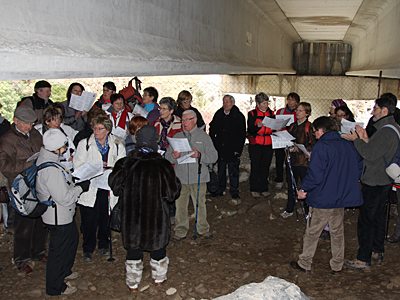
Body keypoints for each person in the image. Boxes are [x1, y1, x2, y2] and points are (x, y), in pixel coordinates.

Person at [109, 125, 181, 292]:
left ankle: (133, 283)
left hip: (132, 218)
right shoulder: (162, 165)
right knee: (158, 249)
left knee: (133, 250)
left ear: (136, 140)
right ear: (154, 142)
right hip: (156, 218)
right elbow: (172, 193)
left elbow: (114, 185)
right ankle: (159, 279)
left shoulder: (125, 163)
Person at [290, 116, 363, 275]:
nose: (314, 135)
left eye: (315, 131)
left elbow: (316, 174)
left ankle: (305, 263)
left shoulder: (321, 146)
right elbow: (358, 167)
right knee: (337, 232)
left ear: (321, 131)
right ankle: (337, 265)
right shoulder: (348, 145)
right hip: (340, 197)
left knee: (313, 231)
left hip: (323, 198)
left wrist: (304, 189)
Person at [342, 97, 399, 269]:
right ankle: (377, 250)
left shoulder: (385, 132)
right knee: (379, 217)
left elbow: (368, 153)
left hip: (375, 180)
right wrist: (365, 138)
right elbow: (376, 150)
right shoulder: (391, 128)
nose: (373, 111)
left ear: (384, 111)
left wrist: (356, 140)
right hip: (383, 179)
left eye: (376, 108)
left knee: (366, 220)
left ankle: (363, 257)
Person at [36, 128, 90, 296]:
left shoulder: (48, 158)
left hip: (62, 214)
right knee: (57, 252)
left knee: (72, 239)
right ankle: (55, 287)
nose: (66, 148)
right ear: (56, 147)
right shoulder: (51, 169)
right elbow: (64, 198)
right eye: (64, 145)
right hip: (58, 217)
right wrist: (80, 188)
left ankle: (65, 271)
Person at [73, 115, 126, 262]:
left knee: (105, 217)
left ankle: (104, 243)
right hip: (90, 187)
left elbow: (122, 165)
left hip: (107, 186)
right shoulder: (85, 144)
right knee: (88, 218)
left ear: (108, 130)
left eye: (100, 128)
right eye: (94, 128)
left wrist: (110, 168)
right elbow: (77, 165)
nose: (96, 131)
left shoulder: (116, 144)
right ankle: (88, 248)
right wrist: (94, 168)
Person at [0, 106, 44, 276]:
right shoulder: (7, 140)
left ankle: (38, 251)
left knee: (40, 220)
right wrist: (28, 163)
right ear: (15, 121)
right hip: (21, 187)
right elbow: (5, 167)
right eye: (25, 123)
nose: (29, 127)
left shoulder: (35, 135)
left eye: (31, 124)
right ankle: (21, 259)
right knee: (23, 225)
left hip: (38, 183)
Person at [166, 110, 217, 242]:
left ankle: (203, 229)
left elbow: (214, 156)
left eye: (187, 120)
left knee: (200, 204)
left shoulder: (203, 137)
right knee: (180, 206)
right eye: (183, 120)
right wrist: (173, 156)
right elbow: (167, 157)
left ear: (195, 120)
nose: (184, 123)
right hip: (181, 178)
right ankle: (180, 230)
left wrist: (200, 156)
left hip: (198, 177)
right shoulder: (176, 137)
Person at [280, 102, 316, 219]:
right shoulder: (292, 126)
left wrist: (300, 149)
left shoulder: (310, 127)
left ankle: (308, 211)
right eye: (297, 110)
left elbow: (313, 143)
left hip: (304, 162)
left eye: (300, 110)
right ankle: (289, 209)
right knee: (291, 186)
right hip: (292, 160)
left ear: (307, 113)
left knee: (305, 187)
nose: (297, 112)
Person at [209, 94, 246, 199]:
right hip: (220, 148)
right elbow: (212, 128)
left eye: (227, 102)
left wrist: (238, 150)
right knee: (220, 170)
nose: (225, 104)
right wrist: (213, 142)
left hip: (232, 149)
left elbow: (242, 135)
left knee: (233, 171)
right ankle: (220, 189)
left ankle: (234, 190)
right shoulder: (219, 114)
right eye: (224, 102)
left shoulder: (238, 116)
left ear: (233, 103)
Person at [247, 92, 274, 198]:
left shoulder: (271, 113)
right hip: (256, 144)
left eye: (267, 102)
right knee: (256, 166)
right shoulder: (252, 114)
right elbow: (250, 130)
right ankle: (254, 188)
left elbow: (274, 127)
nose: (265, 105)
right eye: (263, 103)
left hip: (268, 143)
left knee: (265, 166)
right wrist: (257, 127)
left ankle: (264, 188)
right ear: (257, 104)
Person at [34, 105, 77, 171]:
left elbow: (71, 148)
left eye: (59, 119)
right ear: (47, 121)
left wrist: (72, 156)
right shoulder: (39, 134)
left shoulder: (63, 132)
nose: (57, 122)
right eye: (54, 120)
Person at [274, 92, 299, 190]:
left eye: (292, 99)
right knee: (279, 160)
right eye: (288, 99)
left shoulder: (298, 112)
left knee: (290, 162)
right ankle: (279, 180)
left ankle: (290, 181)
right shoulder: (280, 111)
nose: (290, 101)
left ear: (297, 101)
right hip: (280, 138)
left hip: (291, 140)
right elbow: (275, 123)